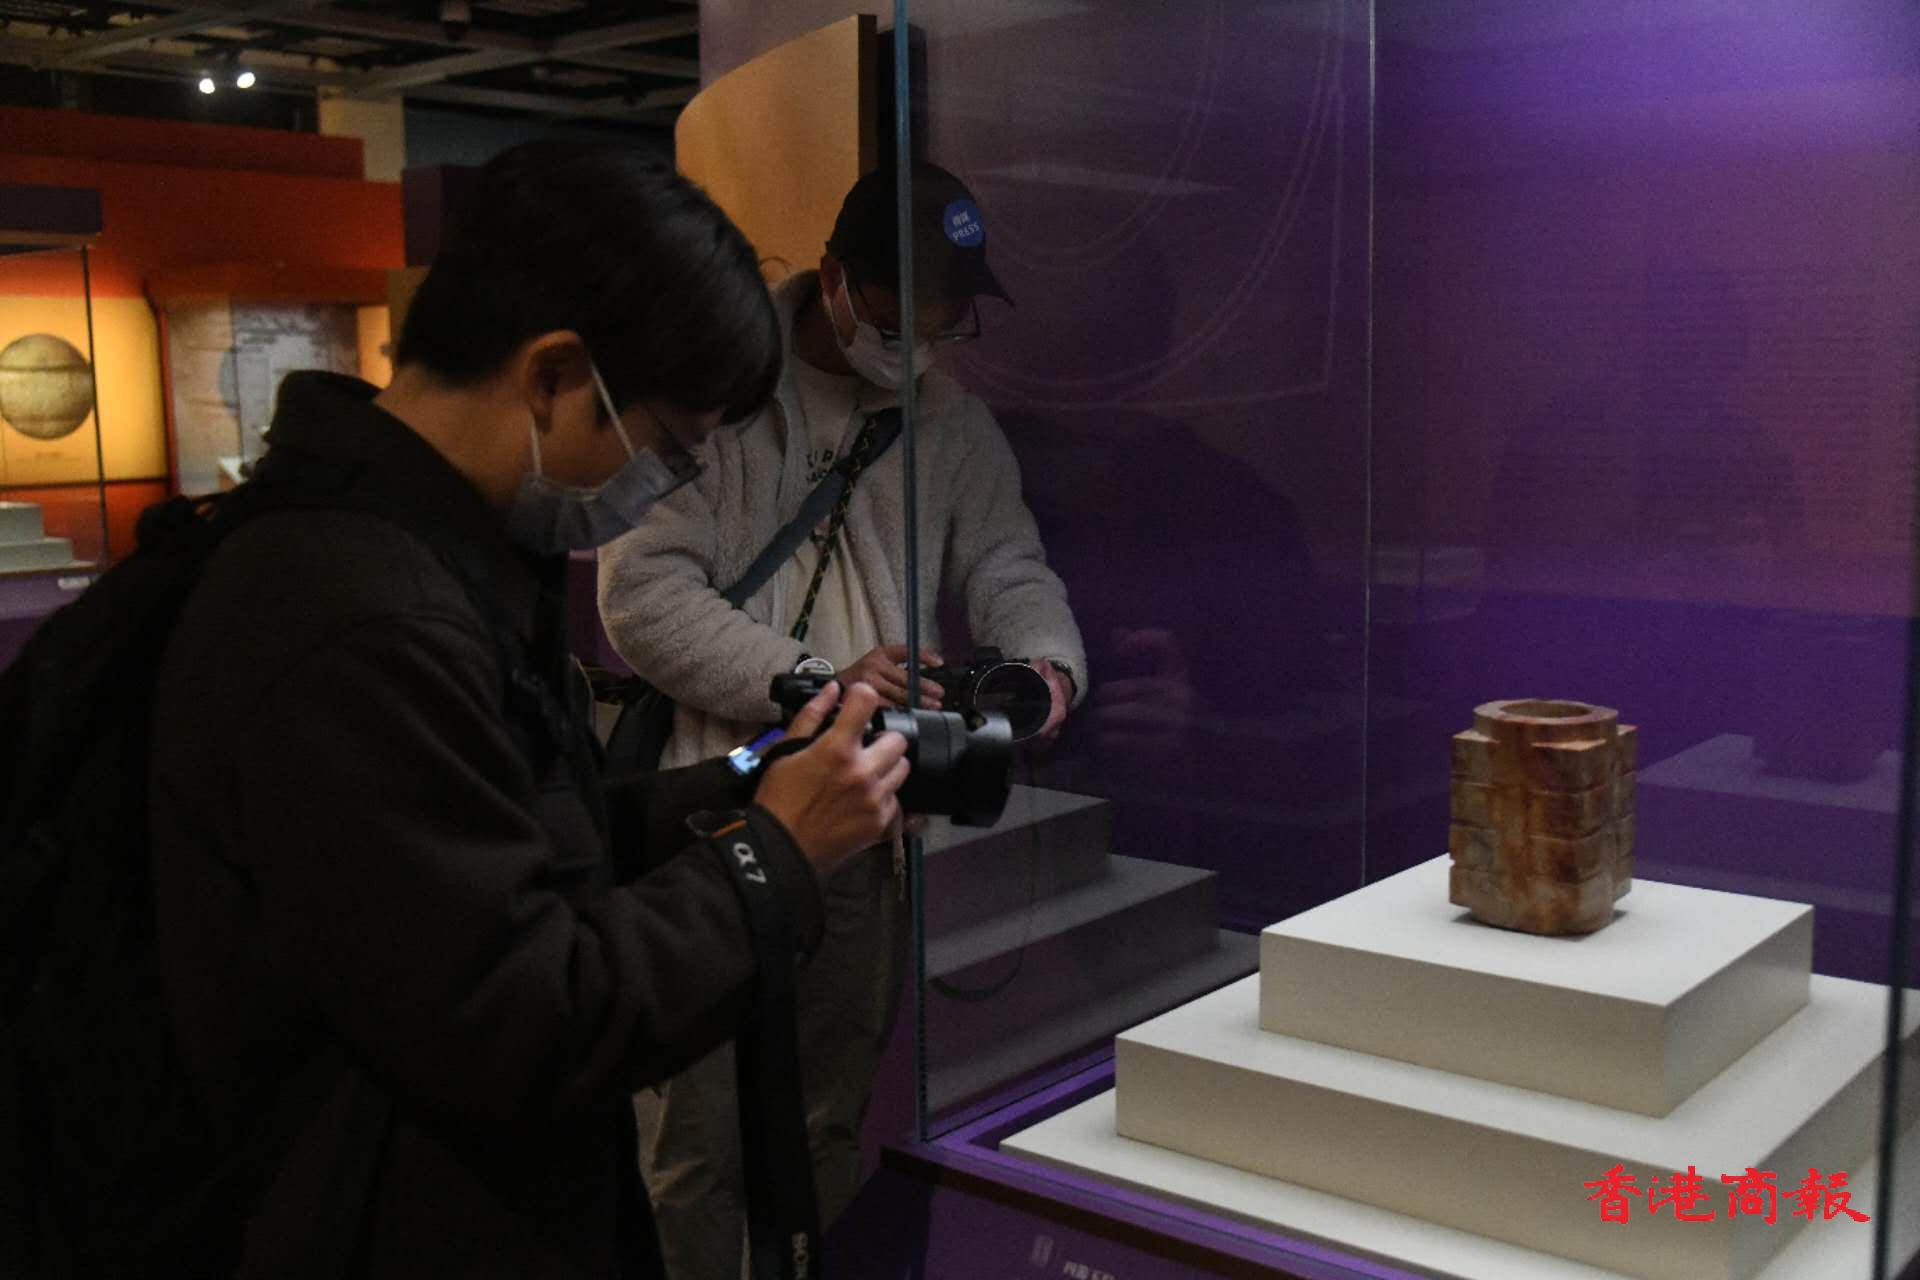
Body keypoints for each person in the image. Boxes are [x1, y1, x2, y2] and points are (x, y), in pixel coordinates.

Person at [143, 139, 911, 1279]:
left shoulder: (431, 559)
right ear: (554, 375)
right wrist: (776, 852)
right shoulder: (355, 616)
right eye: (668, 447)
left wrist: (750, 778)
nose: (662, 485)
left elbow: (524, 842)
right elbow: (523, 1020)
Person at [598, 161, 1087, 1278]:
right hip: (711, 804)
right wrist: (818, 680)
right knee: (696, 1137)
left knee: (826, 1118)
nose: (921, 345)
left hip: (862, 819)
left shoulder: (952, 422)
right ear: (832, 279)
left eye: (945, 321)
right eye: (900, 316)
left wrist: (1046, 670)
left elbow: (1007, 564)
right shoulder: (722, 390)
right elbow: (643, 599)